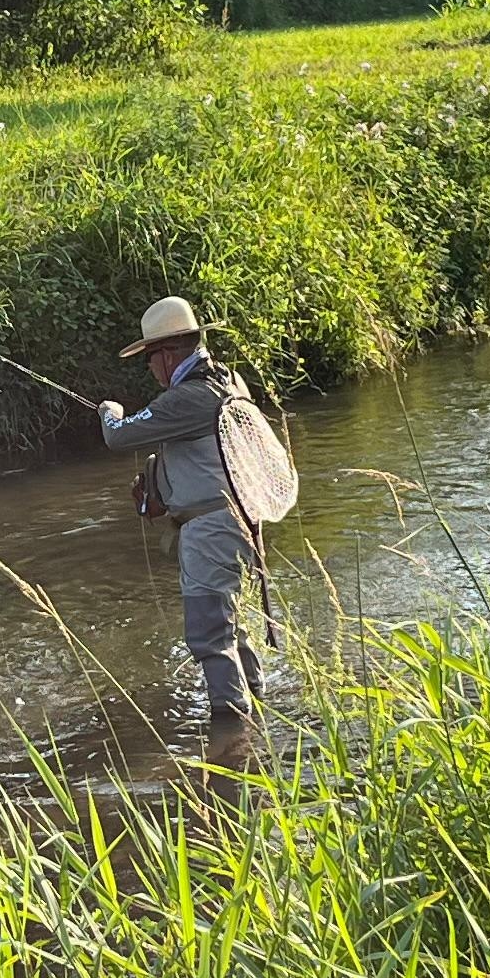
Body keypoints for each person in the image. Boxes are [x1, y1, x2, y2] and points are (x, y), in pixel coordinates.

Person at [98, 294, 294, 736]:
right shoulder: (229, 380)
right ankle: (257, 709)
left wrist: (109, 412)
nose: (149, 368)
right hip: (240, 521)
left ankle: (232, 733)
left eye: (149, 357)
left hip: (210, 528)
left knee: (207, 635)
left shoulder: (187, 398)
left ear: (167, 354)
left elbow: (118, 436)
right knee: (230, 625)